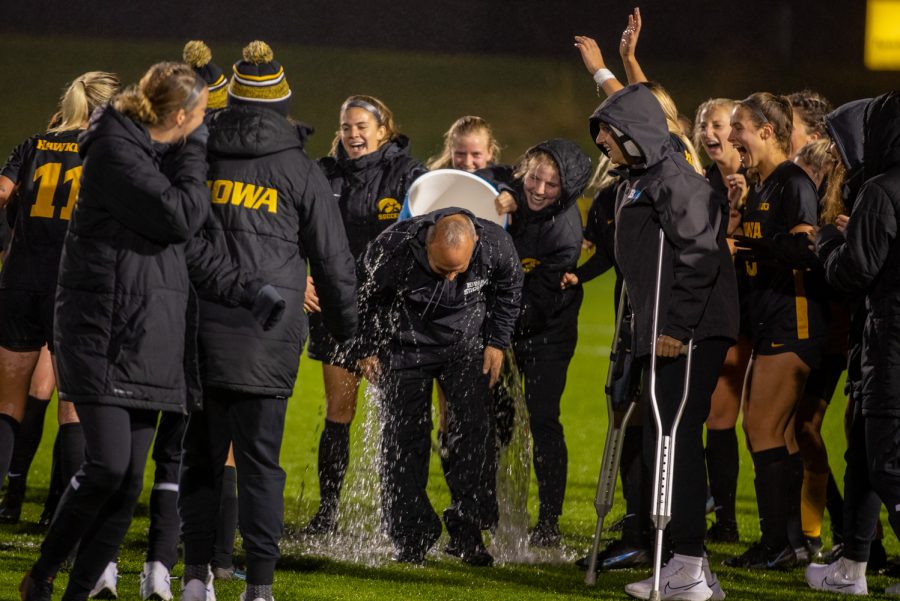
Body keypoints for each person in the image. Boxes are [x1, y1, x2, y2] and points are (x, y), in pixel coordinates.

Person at [19, 61, 284, 601]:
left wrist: (248, 291)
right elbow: (181, 217)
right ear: (181, 116)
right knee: (107, 467)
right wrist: (192, 152)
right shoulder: (117, 153)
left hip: (151, 335)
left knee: (126, 484)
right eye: (202, 117)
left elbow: (191, 250)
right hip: (103, 332)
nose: (205, 128)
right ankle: (42, 574)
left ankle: (74, 593)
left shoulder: (153, 154)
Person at [177, 41, 358, 601]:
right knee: (261, 466)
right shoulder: (301, 171)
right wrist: (353, 335)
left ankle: (192, 579)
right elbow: (332, 262)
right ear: (282, 103)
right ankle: (259, 586)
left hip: (197, 327)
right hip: (268, 333)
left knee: (200, 460)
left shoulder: (197, 156)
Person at [591, 82, 738, 601]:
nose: (603, 142)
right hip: (663, 327)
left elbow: (699, 257)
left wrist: (676, 327)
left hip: (690, 330)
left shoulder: (675, 179)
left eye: (608, 133)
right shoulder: (641, 177)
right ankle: (689, 564)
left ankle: (689, 565)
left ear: (633, 132)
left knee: (674, 438)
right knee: (664, 439)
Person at [355, 208, 523, 566]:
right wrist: (367, 346)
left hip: (465, 347)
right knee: (403, 440)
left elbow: (509, 289)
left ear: (474, 245)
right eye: (441, 269)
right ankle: (411, 536)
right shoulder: (393, 247)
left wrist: (496, 341)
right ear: (426, 245)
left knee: (474, 435)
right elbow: (362, 295)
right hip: (404, 346)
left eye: (458, 271)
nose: (449, 278)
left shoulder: (495, 243)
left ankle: (469, 532)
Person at [302, 94, 425, 535]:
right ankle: (328, 511)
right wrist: (301, 273)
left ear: (383, 131)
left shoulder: (408, 174)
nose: (353, 134)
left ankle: (402, 515)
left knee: (400, 416)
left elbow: (445, 198)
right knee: (340, 411)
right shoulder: (322, 172)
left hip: (392, 311)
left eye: (362, 127)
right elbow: (293, 225)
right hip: (337, 308)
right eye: (347, 126)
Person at [0, 72, 120, 510]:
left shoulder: (34, 144)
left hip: (20, 281)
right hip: (74, 288)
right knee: (72, 406)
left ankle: (9, 495)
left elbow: (1, 193)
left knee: (8, 403)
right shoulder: (107, 153)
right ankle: (58, 514)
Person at [726, 92, 831, 569]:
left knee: (761, 428)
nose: (731, 138)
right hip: (770, 322)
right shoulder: (761, 185)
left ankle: (777, 543)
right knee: (780, 436)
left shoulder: (792, 182)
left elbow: (805, 251)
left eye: (739, 128)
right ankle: (788, 542)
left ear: (767, 132)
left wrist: (749, 248)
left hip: (795, 323)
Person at [808, 91, 900, 596]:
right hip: (884, 337)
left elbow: (854, 272)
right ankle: (852, 567)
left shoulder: (881, 190)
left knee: (885, 462)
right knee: (865, 458)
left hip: (890, 341)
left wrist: (829, 244)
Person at [492, 139, 591, 546]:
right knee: (494, 420)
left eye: (552, 185)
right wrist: (505, 194)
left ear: (565, 190)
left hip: (548, 329)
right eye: (534, 178)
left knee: (543, 419)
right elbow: (483, 176)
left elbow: (541, 301)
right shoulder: (511, 192)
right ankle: (487, 511)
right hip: (504, 324)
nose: (539, 190)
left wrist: (497, 335)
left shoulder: (566, 232)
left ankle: (548, 522)